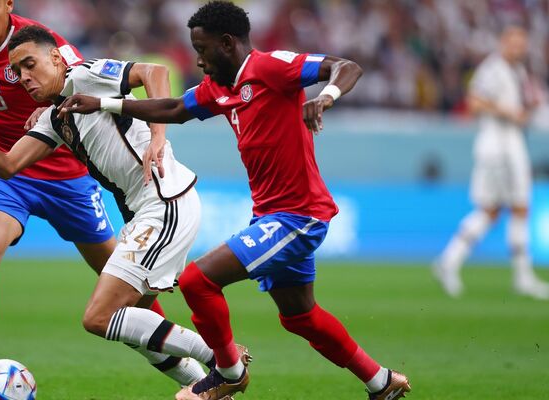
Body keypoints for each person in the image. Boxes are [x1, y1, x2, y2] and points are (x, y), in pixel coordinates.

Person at [58, 2, 410, 399]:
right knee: (300, 317)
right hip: (270, 215)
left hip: (299, 216)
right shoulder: (219, 89)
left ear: (227, 44)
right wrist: (105, 103)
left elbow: (346, 66)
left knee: (197, 280)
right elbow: (174, 107)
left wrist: (325, 97)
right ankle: (381, 382)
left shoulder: (272, 67)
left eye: (203, 50)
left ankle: (227, 373)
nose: (199, 61)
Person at [0, 25, 255, 396]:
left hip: (165, 204)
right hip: (146, 215)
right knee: (132, 323)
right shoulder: (56, 118)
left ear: (57, 59)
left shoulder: (86, 75)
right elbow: (7, 165)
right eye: (18, 72)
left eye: (31, 65)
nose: (25, 78)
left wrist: (159, 135)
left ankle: (224, 361)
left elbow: (153, 72)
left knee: (99, 317)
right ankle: (205, 380)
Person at [0, 2, 167, 399]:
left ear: (9, 4)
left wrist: (51, 108)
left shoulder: (46, 44)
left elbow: (80, 82)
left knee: (127, 285)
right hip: (0, 167)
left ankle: (181, 356)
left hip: (66, 174)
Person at [433, 26, 548, 300]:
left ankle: (449, 260)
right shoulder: (492, 69)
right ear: (503, 43)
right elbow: (473, 103)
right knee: (516, 207)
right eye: (514, 43)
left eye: (522, 44)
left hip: (509, 144)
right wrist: (507, 111)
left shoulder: (516, 71)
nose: (519, 48)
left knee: (493, 210)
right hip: (499, 147)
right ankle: (522, 276)